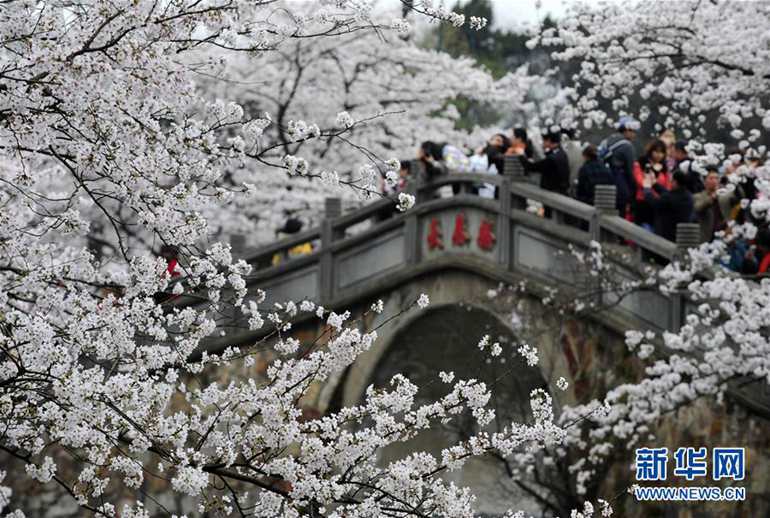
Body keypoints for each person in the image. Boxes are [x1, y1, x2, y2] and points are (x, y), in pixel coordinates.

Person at [598, 116, 639, 217]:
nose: (634, 134)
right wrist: (633, 191)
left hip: (604, 181)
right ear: (626, 130)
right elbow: (630, 171)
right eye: (632, 131)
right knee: (619, 214)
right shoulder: (627, 146)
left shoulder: (607, 140)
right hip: (619, 182)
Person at [643, 170, 694, 242]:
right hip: (680, 237)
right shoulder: (688, 196)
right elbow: (668, 193)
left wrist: (647, 188)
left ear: (675, 182)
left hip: (666, 236)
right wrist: (654, 184)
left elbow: (655, 202)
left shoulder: (669, 198)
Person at [632, 139, 671, 231]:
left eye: (661, 152)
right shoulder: (641, 164)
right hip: (642, 201)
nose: (658, 155)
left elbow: (667, 185)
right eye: (656, 151)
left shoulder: (664, 168)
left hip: (658, 202)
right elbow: (639, 180)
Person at [518, 130, 570, 196]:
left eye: (544, 140)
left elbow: (532, 167)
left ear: (548, 140)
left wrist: (520, 155)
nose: (542, 142)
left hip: (553, 194)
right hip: (561, 192)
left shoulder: (551, 159)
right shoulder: (562, 153)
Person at [693, 167, 734, 243]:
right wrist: (712, 197)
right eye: (711, 178)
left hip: (724, 235)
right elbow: (698, 208)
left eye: (717, 178)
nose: (715, 181)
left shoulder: (724, 196)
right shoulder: (698, 196)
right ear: (704, 181)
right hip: (707, 236)